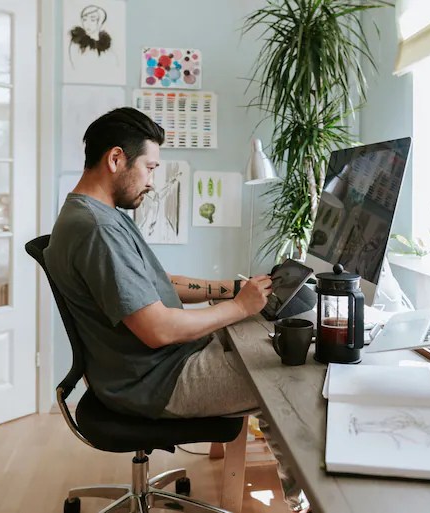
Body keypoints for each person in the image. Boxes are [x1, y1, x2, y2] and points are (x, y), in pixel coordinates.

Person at [44, 107, 309, 512]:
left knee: (269, 342)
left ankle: (299, 495)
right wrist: (239, 307)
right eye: (150, 167)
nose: (153, 181)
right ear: (116, 159)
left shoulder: (98, 214)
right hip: (156, 380)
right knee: (291, 374)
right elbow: (159, 330)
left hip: (150, 367)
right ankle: (306, 502)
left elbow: (158, 282)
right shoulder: (96, 230)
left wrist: (232, 289)